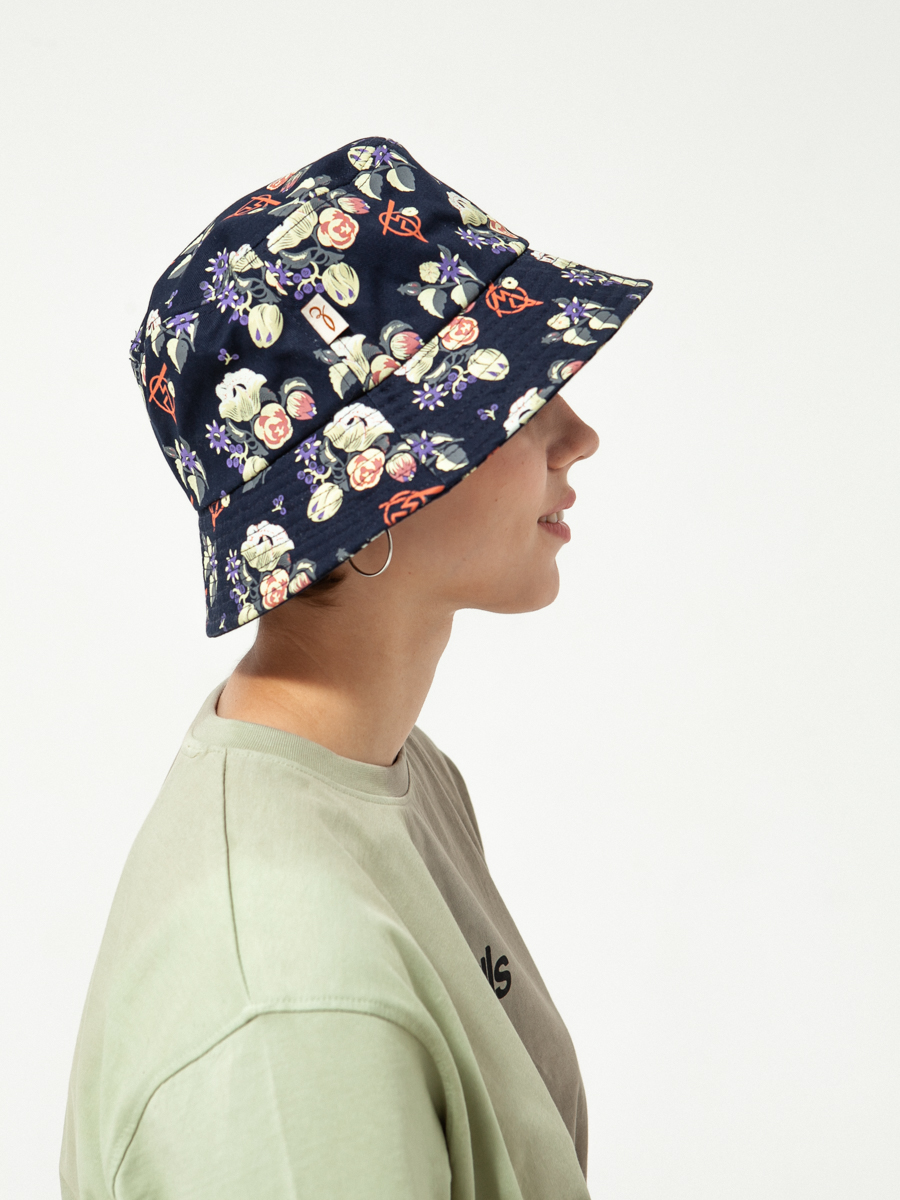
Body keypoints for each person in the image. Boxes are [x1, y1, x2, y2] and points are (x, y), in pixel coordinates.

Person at [60, 136, 652, 1199]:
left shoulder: (393, 775)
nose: (579, 435)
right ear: (370, 492)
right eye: (519, 397)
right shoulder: (291, 1005)